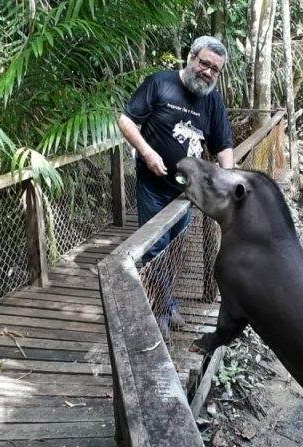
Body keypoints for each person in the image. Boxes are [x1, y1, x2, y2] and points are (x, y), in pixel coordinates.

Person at [118, 35, 235, 340]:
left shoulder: (212, 100)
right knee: (156, 248)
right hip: (153, 184)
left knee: (177, 247)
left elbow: (222, 145)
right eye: (204, 63)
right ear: (191, 58)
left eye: (215, 70)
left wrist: (232, 182)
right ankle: (163, 310)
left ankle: (165, 302)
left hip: (187, 192)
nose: (208, 72)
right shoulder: (160, 83)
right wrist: (147, 152)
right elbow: (126, 120)